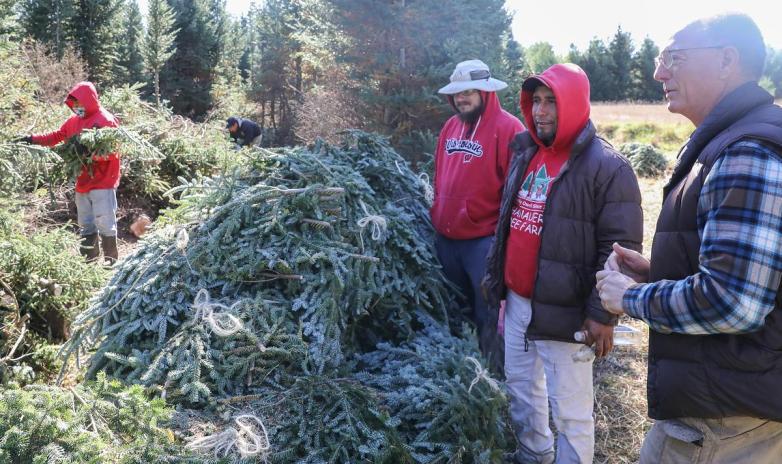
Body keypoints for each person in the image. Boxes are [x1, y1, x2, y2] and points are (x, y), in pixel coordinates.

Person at [596, 13, 782, 463]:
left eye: (674, 58)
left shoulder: (745, 152)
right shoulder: (732, 141)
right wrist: (662, 273)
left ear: (726, 60)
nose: (659, 72)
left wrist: (631, 298)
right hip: (733, 398)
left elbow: (733, 301)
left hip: (721, 420)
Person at [483, 63, 643, 464]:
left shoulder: (608, 167)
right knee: (522, 389)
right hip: (518, 302)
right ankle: (533, 455)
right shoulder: (526, 151)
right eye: (535, 101)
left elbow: (618, 250)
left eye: (551, 101)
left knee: (570, 411)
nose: (540, 111)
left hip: (567, 311)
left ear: (573, 103)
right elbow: (509, 222)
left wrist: (601, 314)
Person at [432, 59, 524, 364]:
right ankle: (460, 365)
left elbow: (519, 192)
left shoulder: (509, 128)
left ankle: (492, 371)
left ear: (486, 93)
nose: (461, 98)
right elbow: (440, 174)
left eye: (468, 92)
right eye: (457, 93)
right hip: (447, 239)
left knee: (487, 310)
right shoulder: (450, 126)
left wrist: (504, 241)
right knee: (454, 305)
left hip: (483, 241)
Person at [16, 81, 121, 264]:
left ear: (89, 101)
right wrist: (31, 139)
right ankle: (89, 264)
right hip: (82, 182)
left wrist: (90, 154)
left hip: (103, 182)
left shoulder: (105, 120)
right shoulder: (74, 122)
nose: (77, 108)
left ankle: (111, 263)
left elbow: (114, 151)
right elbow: (57, 136)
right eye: (74, 104)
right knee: (86, 224)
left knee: (105, 224)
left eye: (79, 103)